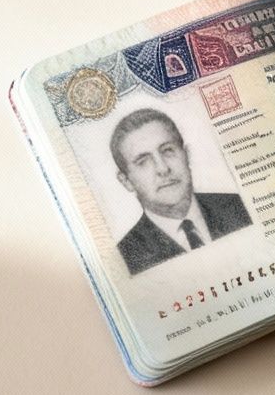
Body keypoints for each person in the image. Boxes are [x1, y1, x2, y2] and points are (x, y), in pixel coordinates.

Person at [108, 108, 252, 275]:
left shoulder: (240, 206)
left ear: (187, 155)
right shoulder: (126, 258)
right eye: (143, 161)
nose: (162, 168)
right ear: (126, 181)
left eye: (167, 151)